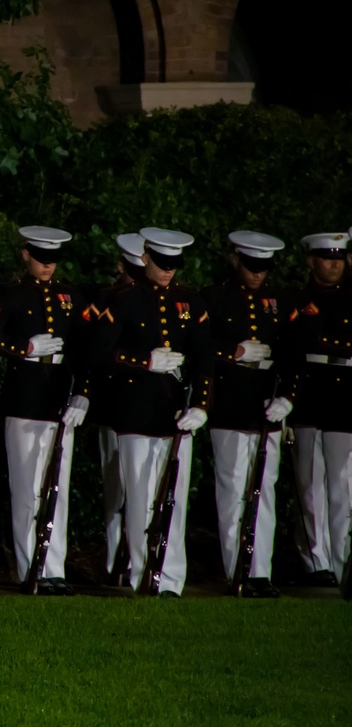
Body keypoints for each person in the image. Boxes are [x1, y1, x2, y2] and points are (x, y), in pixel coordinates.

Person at [92, 227, 214, 597]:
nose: (167, 271)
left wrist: (201, 405)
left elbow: (205, 359)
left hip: (175, 412)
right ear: (145, 258)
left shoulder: (190, 302)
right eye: (161, 263)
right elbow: (100, 353)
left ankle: (171, 580)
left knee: (174, 497)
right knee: (141, 497)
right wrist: (143, 361)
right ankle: (143, 573)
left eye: (174, 264)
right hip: (135, 410)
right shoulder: (125, 300)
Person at [0, 226, 91, 595]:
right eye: (41, 259)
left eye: (53, 259)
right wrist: (23, 348)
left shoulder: (71, 297)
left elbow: (86, 349)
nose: (48, 266)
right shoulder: (12, 295)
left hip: (60, 398)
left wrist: (83, 394)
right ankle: (33, 567)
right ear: (26, 255)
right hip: (25, 399)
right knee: (27, 488)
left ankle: (54, 566)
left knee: (56, 484)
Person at [203, 231, 293, 597]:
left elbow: (291, 352)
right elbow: (203, 346)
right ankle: (237, 568)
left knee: (264, 489)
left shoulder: (279, 300)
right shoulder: (216, 298)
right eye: (251, 266)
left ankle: (260, 572)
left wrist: (287, 397)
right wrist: (234, 353)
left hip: (265, 403)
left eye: (264, 268)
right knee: (233, 487)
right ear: (236, 260)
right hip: (231, 402)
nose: (258, 275)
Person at [285, 231, 352, 587]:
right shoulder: (297, 299)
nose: (335, 265)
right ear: (311, 261)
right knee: (311, 487)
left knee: (343, 487)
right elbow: (296, 347)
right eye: (328, 258)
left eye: (340, 258)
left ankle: (342, 561)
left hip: (344, 399)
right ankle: (317, 561)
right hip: (310, 395)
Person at [92, 233, 146, 582]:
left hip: (147, 406)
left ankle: (136, 557)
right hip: (113, 404)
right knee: (117, 489)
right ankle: (115, 558)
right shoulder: (107, 300)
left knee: (142, 486)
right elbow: (100, 353)